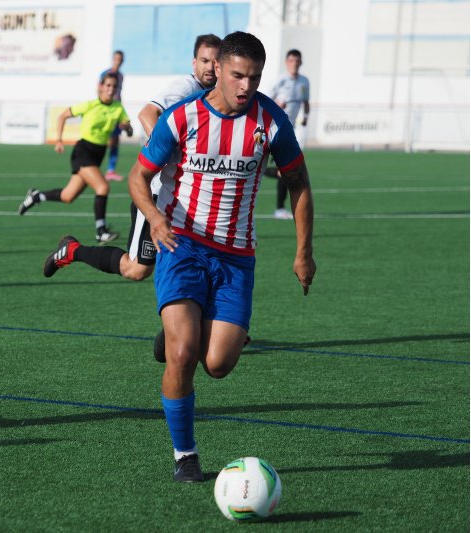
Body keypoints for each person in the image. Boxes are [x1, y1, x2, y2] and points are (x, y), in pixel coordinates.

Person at [128, 31, 315, 483]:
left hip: (235, 259)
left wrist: (303, 251)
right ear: (220, 71)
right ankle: (185, 456)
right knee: (185, 352)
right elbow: (137, 176)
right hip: (183, 246)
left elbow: (298, 183)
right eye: (238, 75)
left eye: (254, 77)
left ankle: (176, 331)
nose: (247, 85)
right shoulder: (182, 116)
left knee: (218, 365)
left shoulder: (270, 122)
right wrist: (153, 217)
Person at [43, 34, 221, 282]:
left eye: (214, 62)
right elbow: (148, 113)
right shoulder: (187, 87)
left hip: (184, 195)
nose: (210, 67)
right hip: (156, 193)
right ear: (194, 63)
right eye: (204, 60)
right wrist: (167, 154)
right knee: (136, 269)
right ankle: (73, 250)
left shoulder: (215, 96)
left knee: (191, 261)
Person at [18, 72, 132, 244]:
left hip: (98, 154)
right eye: (108, 85)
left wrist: (126, 128)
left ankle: (36, 196)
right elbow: (62, 116)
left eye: (114, 86)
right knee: (102, 187)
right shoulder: (89, 105)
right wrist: (58, 140)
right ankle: (101, 231)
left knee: (67, 196)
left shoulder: (118, 108)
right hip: (83, 152)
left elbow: (129, 131)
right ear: (100, 87)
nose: (111, 89)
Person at [266, 49, 310, 219]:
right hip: (275, 128)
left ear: (301, 62)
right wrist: (277, 104)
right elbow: (267, 101)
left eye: (297, 61)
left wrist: (305, 117)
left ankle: (280, 209)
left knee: (288, 169)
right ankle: (279, 209)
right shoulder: (280, 80)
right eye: (291, 60)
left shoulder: (304, 82)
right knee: (284, 170)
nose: (294, 63)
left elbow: (306, 103)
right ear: (287, 62)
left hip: (292, 132)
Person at [100, 51, 125, 181]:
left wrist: (120, 113)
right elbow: (99, 91)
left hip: (117, 112)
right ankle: (94, 166)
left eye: (120, 59)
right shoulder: (105, 74)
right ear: (112, 59)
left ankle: (110, 170)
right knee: (102, 141)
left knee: (115, 142)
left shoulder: (121, 76)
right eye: (116, 59)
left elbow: (118, 95)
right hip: (105, 112)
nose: (118, 61)